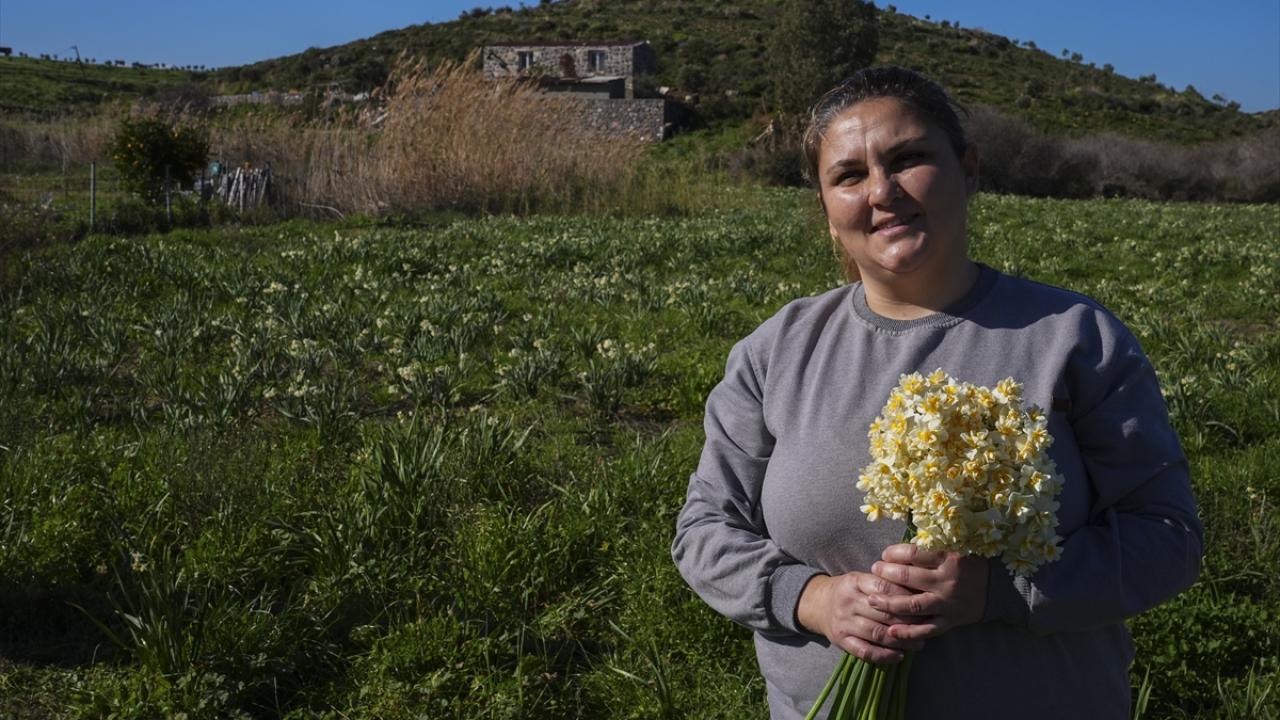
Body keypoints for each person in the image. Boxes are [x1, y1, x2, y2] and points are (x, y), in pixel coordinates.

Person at [671, 66, 1203, 720]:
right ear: (825, 208)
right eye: (849, 176)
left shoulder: (1074, 338)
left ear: (968, 169)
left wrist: (996, 593)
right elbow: (703, 532)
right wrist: (812, 599)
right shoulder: (775, 352)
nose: (882, 191)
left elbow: (1169, 537)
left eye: (909, 159)